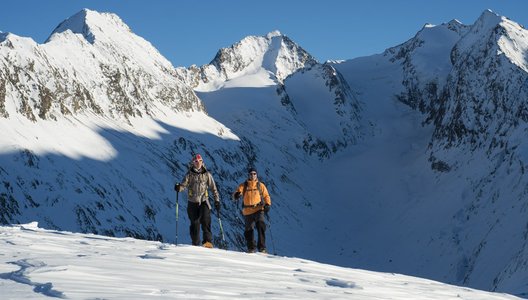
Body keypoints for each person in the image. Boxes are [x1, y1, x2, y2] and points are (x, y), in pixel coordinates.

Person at [175, 154, 221, 248]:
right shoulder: (189, 174)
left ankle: (207, 242)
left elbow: (213, 188)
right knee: (194, 223)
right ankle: (195, 243)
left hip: (204, 201)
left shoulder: (207, 174)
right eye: (196, 161)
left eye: (200, 161)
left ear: (202, 162)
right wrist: (179, 188)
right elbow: (184, 185)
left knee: (206, 220)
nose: (198, 163)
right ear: (193, 163)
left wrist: (217, 200)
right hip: (192, 202)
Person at [233, 167, 271, 253]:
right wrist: (236, 195)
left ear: (257, 175)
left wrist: (268, 204)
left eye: (254, 174)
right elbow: (237, 192)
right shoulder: (244, 185)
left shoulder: (260, 185)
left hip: (258, 209)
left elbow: (266, 196)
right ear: (248, 175)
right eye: (251, 174)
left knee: (260, 225)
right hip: (247, 210)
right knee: (248, 230)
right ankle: (251, 248)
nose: (253, 175)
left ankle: (262, 248)